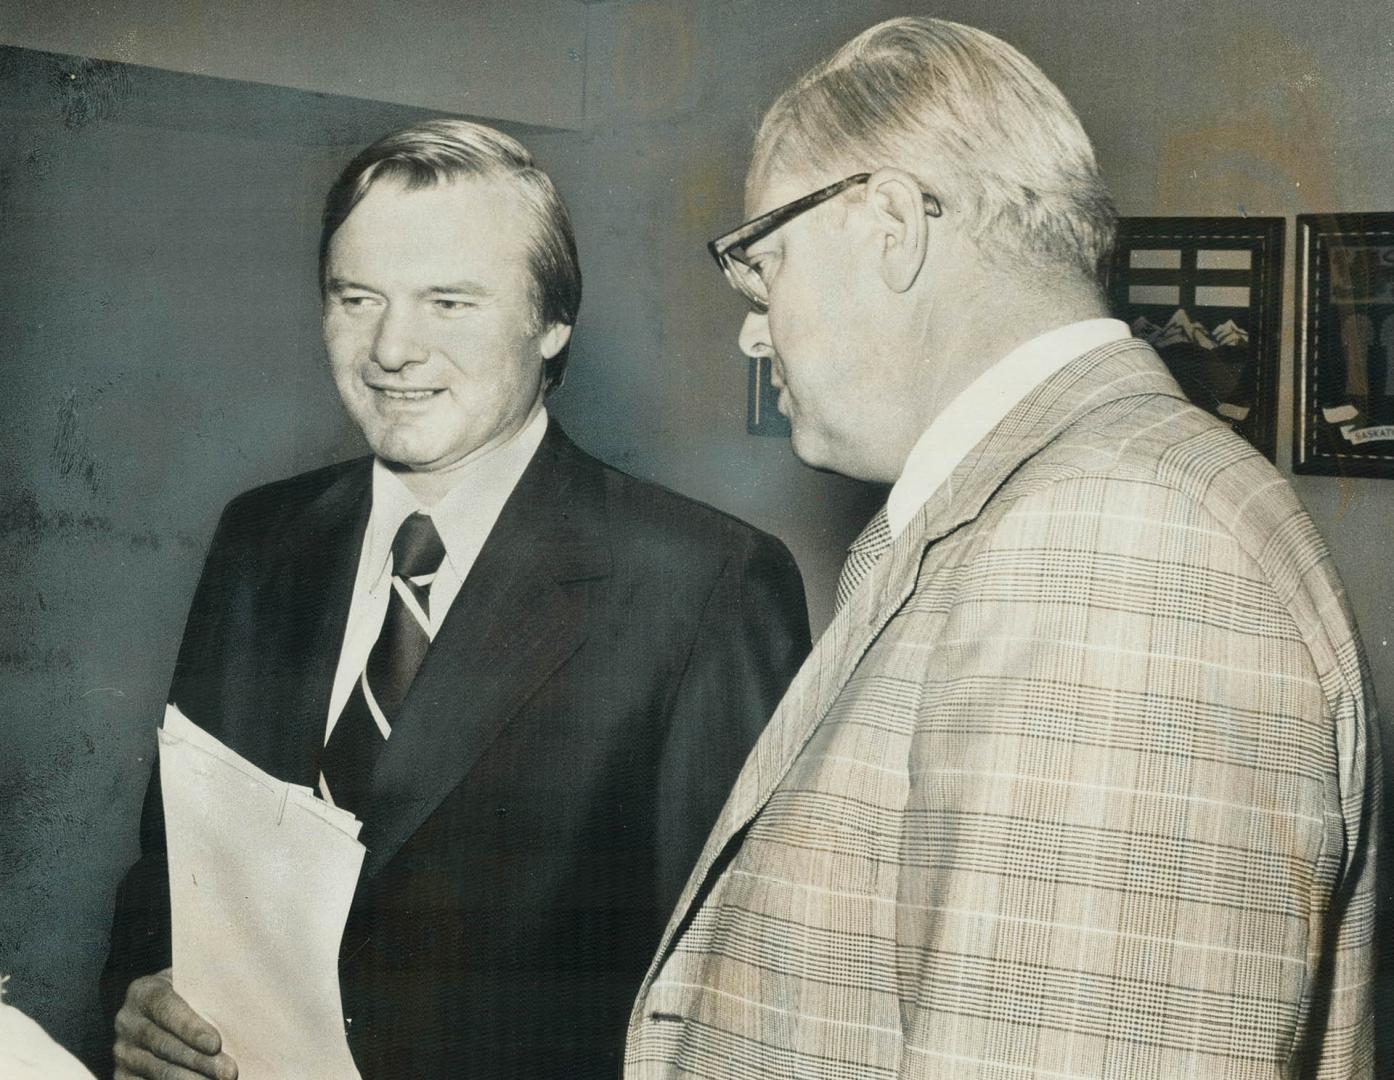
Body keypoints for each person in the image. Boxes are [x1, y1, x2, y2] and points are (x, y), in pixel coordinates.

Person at [626, 17, 1381, 1078]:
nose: (753, 331)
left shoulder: (1115, 549)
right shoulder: (1058, 507)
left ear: (886, 221)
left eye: (765, 271)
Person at [102, 119, 810, 1079]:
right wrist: (147, 996)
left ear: (552, 320)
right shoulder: (261, 540)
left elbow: (736, 997)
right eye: (358, 298)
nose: (393, 347)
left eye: (449, 301)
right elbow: (172, 868)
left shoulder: (704, 586)